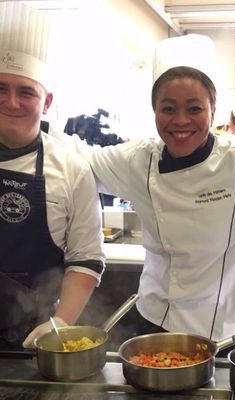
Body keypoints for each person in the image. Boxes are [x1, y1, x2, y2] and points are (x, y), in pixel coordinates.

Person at [54, 34, 235, 341]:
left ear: (213, 110)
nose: (181, 121)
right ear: (154, 110)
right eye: (168, 108)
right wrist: (30, 120)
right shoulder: (138, 159)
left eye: (195, 108)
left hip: (222, 333)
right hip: (153, 320)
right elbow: (81, 159)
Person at [0, 2, 104, 349]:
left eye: (26, 91)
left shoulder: (71, 169)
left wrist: (60, 324)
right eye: (1, 88)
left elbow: (86, 257)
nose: (11, 102)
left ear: (46, 101)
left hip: (34, 335)